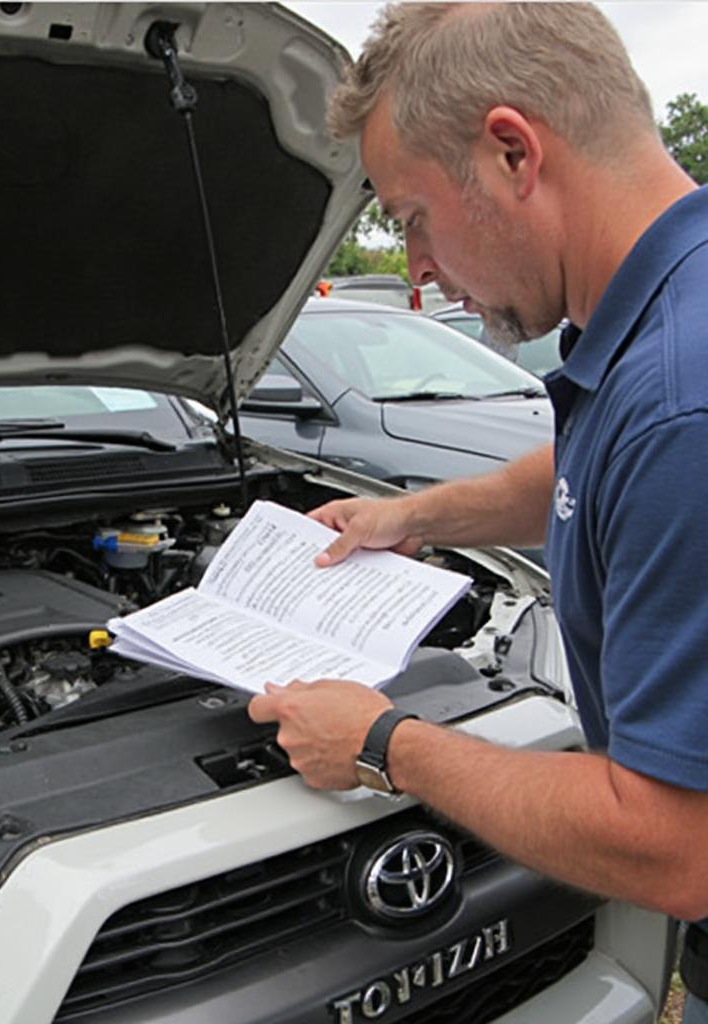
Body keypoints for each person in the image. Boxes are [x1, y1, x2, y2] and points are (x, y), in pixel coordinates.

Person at [246, 3, 708, 1019]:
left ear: (511, 152)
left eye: (411, 216)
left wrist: (381, 743)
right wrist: (409, 519)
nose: (414, 267)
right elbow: (587, 468)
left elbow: (677, 847)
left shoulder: (683, 400)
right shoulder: (677, 299)